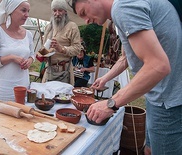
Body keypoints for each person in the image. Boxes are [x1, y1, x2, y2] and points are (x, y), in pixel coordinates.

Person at [71, 0, 182, 154]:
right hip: (159, 96)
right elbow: (126, 58)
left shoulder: (123, 7)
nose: (86, 21)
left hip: (167, 100)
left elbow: (158, 65)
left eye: (84, 13)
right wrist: (105, 78)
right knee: (149, 150)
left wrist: (111, 103)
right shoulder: (126, 7)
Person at [0, 0, 35, 102]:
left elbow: (32, 55)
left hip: (23, 86)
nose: (27, 15)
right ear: (11, 10)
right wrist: (11, 57)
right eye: (23, 10)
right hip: (4, 90)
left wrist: (29, 60)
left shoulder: (28, 34)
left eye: (28, 11)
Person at [40, 0, 82, 85]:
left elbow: (77, 49)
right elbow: (44, 48)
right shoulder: (48, 27)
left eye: (60, 10)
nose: (57, 13)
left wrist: (61, 48)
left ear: (65, 11)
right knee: (46, 97)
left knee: (62, 97)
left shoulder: (72, 26)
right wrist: (42, 55)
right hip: (49, 71)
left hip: (64, 72)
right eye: (55, 10)